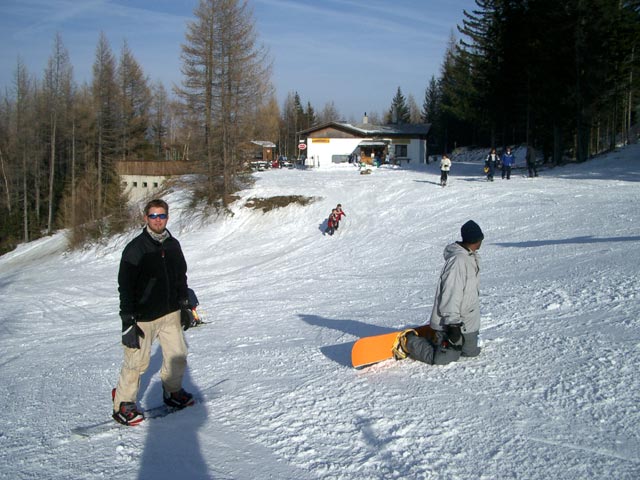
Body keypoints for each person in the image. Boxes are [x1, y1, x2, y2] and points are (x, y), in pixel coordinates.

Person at [112, 199, 196, 426]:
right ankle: (123, 403)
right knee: (136, 362)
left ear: (167, 217)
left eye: (161, 216)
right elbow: (125, 287)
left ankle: (172, 391)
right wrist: (128, 320)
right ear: (145, 218)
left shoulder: (173, 245)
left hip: (170, 313)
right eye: (153, 216)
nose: (157, 220)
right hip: (143, 318)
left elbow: (181, 277)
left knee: (178, 354)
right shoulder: (136, 248)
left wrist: (186, 304)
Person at [392, 220, 484, 365]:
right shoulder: (458, 261)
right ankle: (408, 341)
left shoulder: (472, 257)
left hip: (469, 320)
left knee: (470, 353)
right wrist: (453, 325)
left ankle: (436, 339)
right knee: (445, 358)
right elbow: (451, 293)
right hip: (452, 321)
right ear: (478, 239)